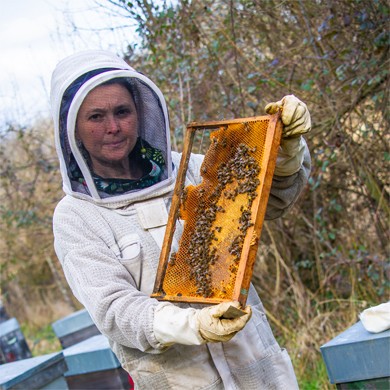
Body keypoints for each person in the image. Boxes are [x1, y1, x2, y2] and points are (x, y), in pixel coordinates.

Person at [50, 50, 311, 390]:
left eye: (122, 112)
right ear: (72, 129)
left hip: (258, 369)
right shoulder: (77, 217)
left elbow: (269, 199)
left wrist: (287, 146)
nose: (112, 127)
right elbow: (114, 309)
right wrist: (191, 324)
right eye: (95, 116)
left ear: (140, 114)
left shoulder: (190, 169)